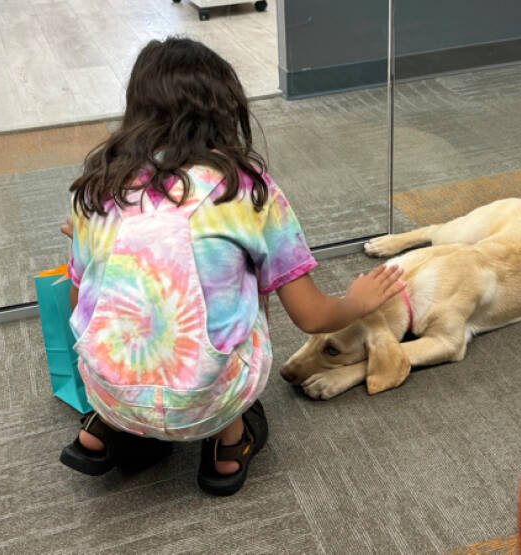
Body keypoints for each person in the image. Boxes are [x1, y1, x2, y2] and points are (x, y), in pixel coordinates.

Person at [59, 37, 404, 496]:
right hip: (207, 399)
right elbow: (311, 317)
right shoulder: (246, 190)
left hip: (111, 392)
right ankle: (227, 447)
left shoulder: (101, 188)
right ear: (226, 110)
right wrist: (356, 303)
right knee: (247, 289)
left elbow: (78, 303)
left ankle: (101, 429)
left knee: (130, 307)